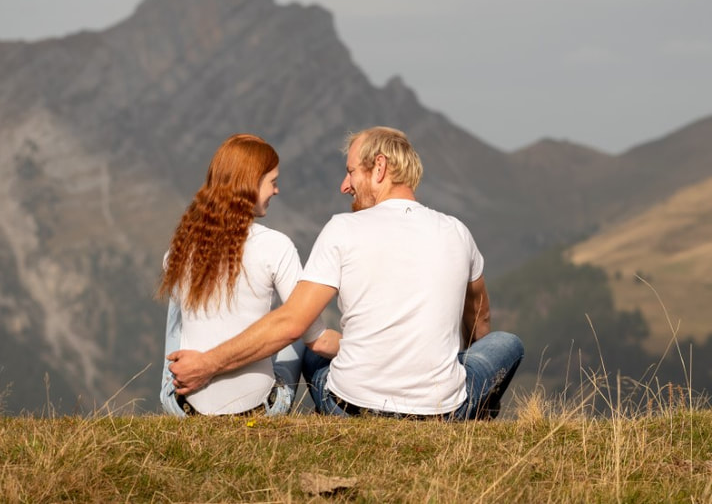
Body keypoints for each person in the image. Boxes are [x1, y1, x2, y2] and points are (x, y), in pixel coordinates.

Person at [168, 126, 523, 419]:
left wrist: (207, 364)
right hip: (442, 410)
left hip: (348, 407)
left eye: (351, 171)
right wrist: (450, 364)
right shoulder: (457, 231)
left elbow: (292, 324)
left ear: (379, 168)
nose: (344, 185)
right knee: (508, 344)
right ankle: (477, 419)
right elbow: (480, 317)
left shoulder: (342, 228)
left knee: (311, 348)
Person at [158, 133, 339, 417]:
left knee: (179, 309)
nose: (276, 190)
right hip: (258, 411)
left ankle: (176, 384)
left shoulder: (179, 249)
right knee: (297, 326)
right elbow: (318, 340)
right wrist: (366, 348)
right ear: (250, 183)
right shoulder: (276, 246)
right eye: (272, 182)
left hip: (186, 410)